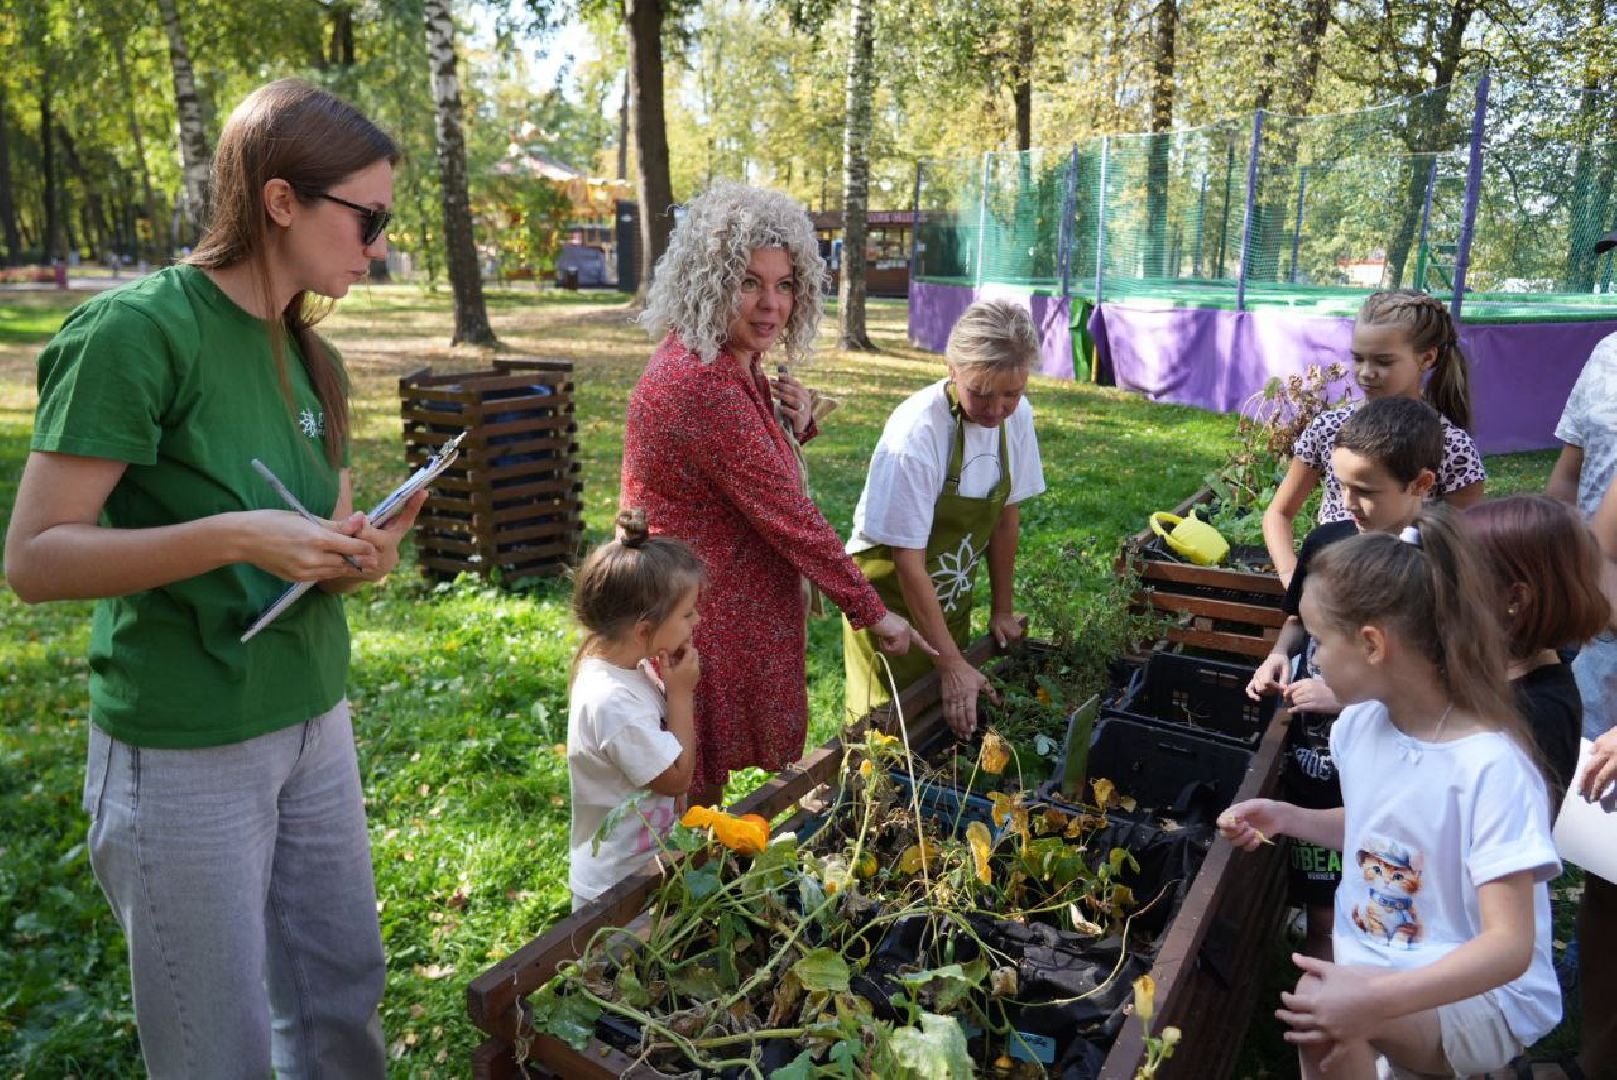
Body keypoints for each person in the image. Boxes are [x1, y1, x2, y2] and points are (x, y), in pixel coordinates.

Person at [2, 80, 421, 1078]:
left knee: (341, 997)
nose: (376, 247)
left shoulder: (314, 357)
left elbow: (317, 538)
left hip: (313, 716)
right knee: (214, 1048)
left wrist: (357, 555)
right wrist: (235, 537)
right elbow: (35, 559)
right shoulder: (135, 334)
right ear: (281, 202)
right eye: (368, 220)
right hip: (184, 743)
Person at [620, 182, 932, 809]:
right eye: (748, 283)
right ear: (709, 283)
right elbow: (789, 515)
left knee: (701, 781)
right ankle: (685, 871)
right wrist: (872, 611)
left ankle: (710, 862)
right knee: (686, 787)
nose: (771, 305)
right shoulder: (700, 381)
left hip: (710, 599)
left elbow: (744, 468)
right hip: (692, 612)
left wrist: (795, 423)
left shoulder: (723, 359)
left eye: (785, 284)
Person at [1222, 505, 1561, 1080]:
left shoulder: (1490, 768)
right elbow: (1380, 828)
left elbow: (1509, 947)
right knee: (1319, 1007)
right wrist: (1286, 816)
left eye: (1319, 641)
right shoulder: (1359, 726)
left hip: (1482, 991)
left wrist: (1373, 999)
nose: (1313, 658)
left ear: (1373, 644)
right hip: (1381, 962)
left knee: (1329, 1019)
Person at [1247, 397, 1444, 962]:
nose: (1348, 502)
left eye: (1366, 490)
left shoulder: (1439, 567)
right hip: (1317, 756)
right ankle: (1321, 971)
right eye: (1340, 484)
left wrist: (1345, 698)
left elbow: (1443, 677)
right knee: (1324, 905)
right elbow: (1297, 619)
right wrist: (1280, 655)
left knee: (1390, 907)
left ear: (1420, 484)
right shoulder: (1328, 541)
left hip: (1392, 771)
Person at [843, 299, 1046, 737]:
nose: (996, 409)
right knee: (883, 736)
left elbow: (1005, 517)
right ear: (951, 369)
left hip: (948, 592)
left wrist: (1002, 609)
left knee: (941, 721)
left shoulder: (1017, 419)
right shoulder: (917, 436)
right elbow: (907, 560)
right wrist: (951, 663)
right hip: (891, 602)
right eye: (981, 392)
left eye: (1011, 394)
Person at [1263, 289, 1486, 587]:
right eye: (1358, 358)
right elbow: (1279, 513)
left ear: (1427, 358)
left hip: (1406, 594)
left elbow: (1462, 544)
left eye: (1383, 361)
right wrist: (1293, 578)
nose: (1366, 373)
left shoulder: (1453, 447)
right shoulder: (1327, 428)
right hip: (1331, 586)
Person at [1539, 252, 1617, 1080]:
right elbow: (1570, 481)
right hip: (1600, 647)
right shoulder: (1605, 356)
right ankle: (1595, 1057)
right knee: (1605, 868)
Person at [566, 509, 705, 910]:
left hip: (646, 868)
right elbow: (676, 778)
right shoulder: (613, 703)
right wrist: (681, 695)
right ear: (644, 630)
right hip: (616, 890)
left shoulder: (629, 667)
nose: (696, 620)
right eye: (687, 613)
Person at [1463, 496, 1609, 813]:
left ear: (1514, 599)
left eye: (1456, 577)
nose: (1436, 587)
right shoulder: (1487, 672)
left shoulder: (1539, 715)